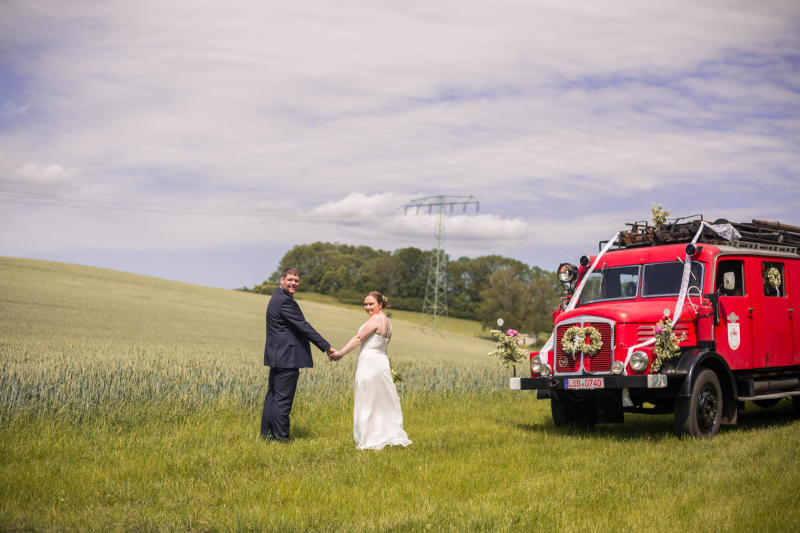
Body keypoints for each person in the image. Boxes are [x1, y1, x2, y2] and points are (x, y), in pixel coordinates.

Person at [261, 267, 336, 441]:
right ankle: (281, 439)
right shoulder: (285, 301)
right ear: (282, 280)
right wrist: (327, 347)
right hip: (287, 358)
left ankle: (267, 436)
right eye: (290, 280)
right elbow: (303, 326)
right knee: (282, 401)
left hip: (277, 356)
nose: (294, 283)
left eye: (296, 280)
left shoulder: (277, 297)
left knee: (273, 397)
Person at [331, 291, 411, 450]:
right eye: (365, 304)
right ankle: (384, 434)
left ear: (380, 304)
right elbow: (385, 348)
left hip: (369, 363)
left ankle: (369, 437)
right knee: (381, 401)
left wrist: (341, 353)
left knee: (367, 399)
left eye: (371, 304)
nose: (367, 307)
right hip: (381, 363)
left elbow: (359, 338)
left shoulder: (375, 320)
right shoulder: (388, 322)